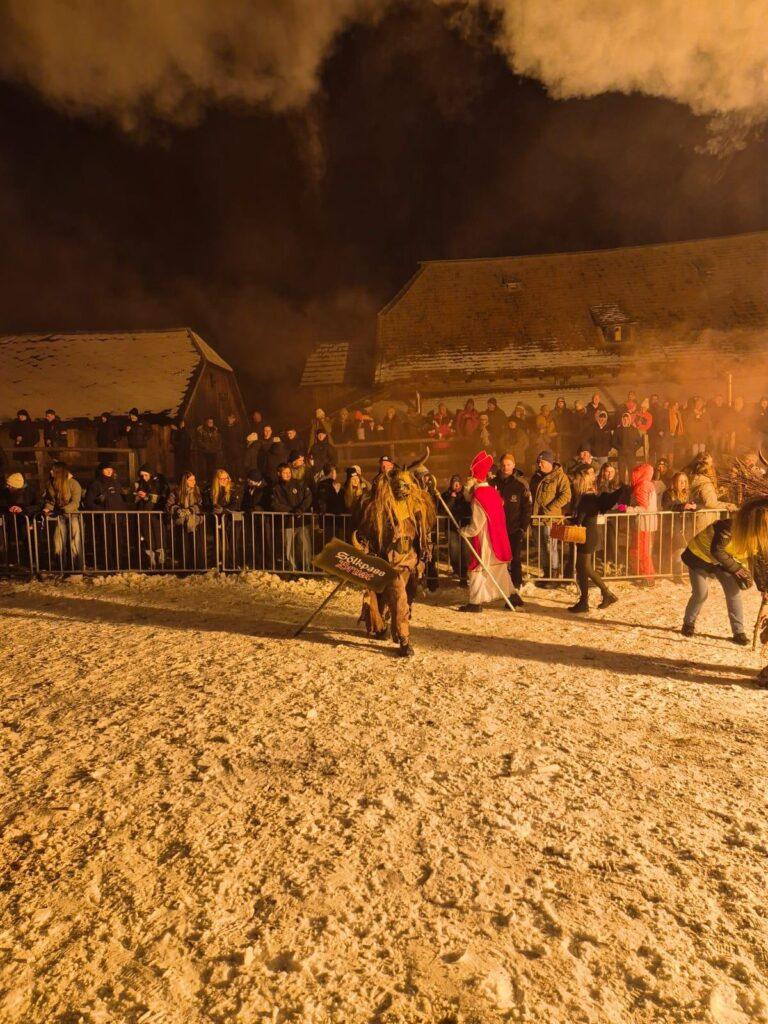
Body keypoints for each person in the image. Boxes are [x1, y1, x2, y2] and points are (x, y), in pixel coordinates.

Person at [355, 458, 436, 657]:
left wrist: (425, 553)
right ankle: (404, 639)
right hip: (389, 563)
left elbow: (423, 533)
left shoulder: (415, 507)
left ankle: (383, 626)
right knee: (398, 596)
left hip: (409, 562)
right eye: (398, 486)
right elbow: (368, 531)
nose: (402, 489)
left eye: (405, 485)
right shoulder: (380, 508)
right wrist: (365, 548)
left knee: (404, 597)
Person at [680, 498, 768, 645]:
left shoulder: (758, 538)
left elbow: (757, 563)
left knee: (734, 592)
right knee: (701, 593)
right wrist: (737, 568)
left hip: (721, 563)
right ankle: (688, 624)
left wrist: (764, 588)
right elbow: (717, 550)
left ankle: (738, 632)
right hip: (698, 557)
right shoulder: (729, 527)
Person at [459, 451, 512, 612]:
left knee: (477, 568)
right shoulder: (493, 492)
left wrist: (464, 531)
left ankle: (475, 603)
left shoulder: (479, 496)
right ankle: (512, 595)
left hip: (485, 539)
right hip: (497, 538)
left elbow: (477, 524)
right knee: (498, 568)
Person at [567, 467, 626, 613]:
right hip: (588, 534)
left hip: (588, 535)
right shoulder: (588, 496)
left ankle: (605, 593)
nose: (574, 483)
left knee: (585, 567)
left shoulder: (587, 497)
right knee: (581, 567)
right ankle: (584, 600)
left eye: (576, 480)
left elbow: (579, 519)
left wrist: (568, 521)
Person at [492, 452, 532, 605]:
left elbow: (527, 508)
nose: (505, 467)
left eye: (508, 464)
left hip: (514, 528)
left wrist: (523, 527)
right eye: (503, 465)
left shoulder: (520, 484)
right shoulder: (493, 482)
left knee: (515, 559)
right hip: (497, 529)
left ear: (513, 465)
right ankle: (499, 585)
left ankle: (516, 586)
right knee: (498, 560)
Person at [529, 450, 571, 584]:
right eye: (538, 462)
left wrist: (550, 508)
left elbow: (566, 495)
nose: (539, 465)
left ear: (549, 462)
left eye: (541, 462)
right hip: (536, 519)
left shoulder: (560, 476)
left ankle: (554, 574)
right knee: (541, 547)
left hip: (550, 519)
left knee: (550, 547)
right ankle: (546, 573)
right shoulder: (535, 477)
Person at [270, 462, 313, 572]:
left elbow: (308, 498)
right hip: (287, 522)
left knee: (305, 546)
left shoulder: (300, 483)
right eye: (285, 472)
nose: (288, 474)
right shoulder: (276, 488)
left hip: (301, 521)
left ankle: (306, 568)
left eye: (289, 472)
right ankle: (291, 569)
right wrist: (290, 510)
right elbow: (274, 504)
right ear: (279, 473)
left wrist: (301, 509)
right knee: (288, 547)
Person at [42, 462, 83, 569]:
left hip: (73, 515)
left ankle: (76, 568)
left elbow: (75, 502)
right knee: (58, 541)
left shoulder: (73, 483)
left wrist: (63, 509)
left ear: (59, 472)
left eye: (53, 470)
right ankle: (61, 567)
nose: (50, 471)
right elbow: (50, 500)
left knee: (74, 542)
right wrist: (47, 509)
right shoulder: (51, 484)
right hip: (60, 516)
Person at [661, 471, 698, 578]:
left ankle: (686, 572)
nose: (683, 483)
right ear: (675, 482)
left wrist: (695, 507)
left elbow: (699, 504)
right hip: (674, 525)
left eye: (685, 481)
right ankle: (677, 574)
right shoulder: (668, 493)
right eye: (680, 481)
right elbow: (667, 507)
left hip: (687, 526)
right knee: (679, 548)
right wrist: (683, 506)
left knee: (686, 549)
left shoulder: (688, 494)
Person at [166, 471, 205, 568]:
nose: (194, 482)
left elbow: (202, 505)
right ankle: (185, 567)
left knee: (197, 546)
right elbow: (168, 505)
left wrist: (191, 510)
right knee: (184, 546)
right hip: (182, 523)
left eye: (194, 479)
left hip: (196, 522)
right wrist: (177, 510)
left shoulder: (197, 491)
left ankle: (198, 567)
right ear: (185, 481)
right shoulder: (176, 492)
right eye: (191, 480)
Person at [628, 464, 657, 583]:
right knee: (642, 549)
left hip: (643, 524)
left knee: (643, 550)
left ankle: (648, 576)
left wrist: (627, 509)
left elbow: (643, 507)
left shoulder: (642, 486)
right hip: (649, 523)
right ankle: (643, 573)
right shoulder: (650, 484)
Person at [441, 474, 471, 585]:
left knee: (465, 551)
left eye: (458, 482)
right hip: (451, 527)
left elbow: (470, 507)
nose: (456, 484)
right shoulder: (446, 495)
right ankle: (456, 570)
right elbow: (444, 510)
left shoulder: (466, 494)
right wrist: (452, 498)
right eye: (454, 482)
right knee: (454, 550)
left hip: (465, 526)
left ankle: (463, 574)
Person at [613, 411, 643, 484]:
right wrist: (620, 449)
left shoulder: (634, 429)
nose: (625, 420)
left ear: (629, 420)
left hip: (631, 455)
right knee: (621, 472)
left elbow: (639, 442)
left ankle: (632, 486)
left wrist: (634, 449)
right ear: (622, 420)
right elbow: (613, 442)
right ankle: (622, 488)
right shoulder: (618, 430)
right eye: (624, 419)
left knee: (632, 472)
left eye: (627, 419)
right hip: (621, 455)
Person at [222, 413, 244, 478]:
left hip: (236, 450)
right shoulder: (225, 427)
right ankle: (231, 478)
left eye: (232, 418)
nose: (230, 419)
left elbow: (240, 438)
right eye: (229, 418)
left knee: (237, 465)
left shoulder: (237, 427)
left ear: (234, 419)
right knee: (229, 465)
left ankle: (237, 478)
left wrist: (239, 447)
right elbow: (223, 438)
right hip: (228, 450)